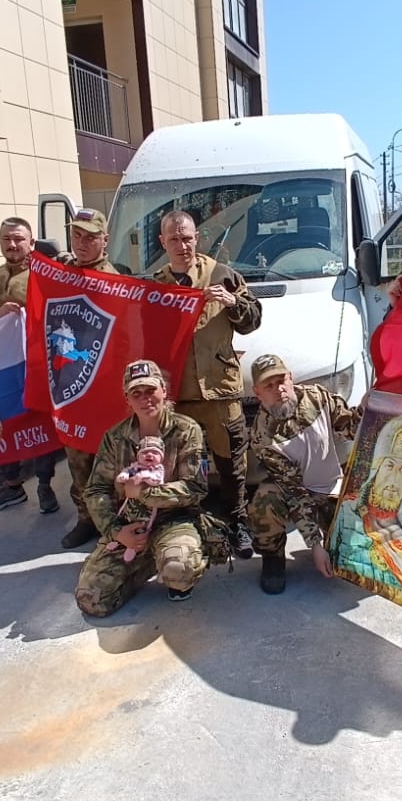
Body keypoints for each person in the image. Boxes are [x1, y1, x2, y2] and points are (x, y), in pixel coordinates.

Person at [151, 209, 262, 557]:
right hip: (179, 393)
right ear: (163, 242)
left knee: (232, 464)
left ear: (197, 237)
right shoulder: (155, 286)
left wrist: (232, 302)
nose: (182, 245)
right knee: (182, 465)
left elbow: (253, 320)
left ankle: (237, 521)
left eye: (187, 238)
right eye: (174, 239)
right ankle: (189, 526)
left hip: (219, 390)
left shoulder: (222, 275)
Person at [75, 359, 209, 616]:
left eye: (151, 390)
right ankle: (146, 562)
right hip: (130, 523)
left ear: (164, 390)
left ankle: (169, 558)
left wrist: (145, 493)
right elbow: (96, 490)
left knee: (179, 571)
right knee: (92, 600)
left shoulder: (186, 429)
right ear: (127, 398)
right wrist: (116, 532)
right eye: (136, 393)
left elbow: (195, 487)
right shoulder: (115, 438)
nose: (145, 398)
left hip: (174, 520)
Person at [0, 216, 61, 514]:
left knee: (39, 424)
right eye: (7, 238)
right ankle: (11, 485)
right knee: (2, 424)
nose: (12, 244)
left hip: (35, 364)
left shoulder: (46, 274)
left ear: (31, 243)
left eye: (19, 238)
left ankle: (44, 484)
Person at [247, 353, 362, 594]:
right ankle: (273, 557)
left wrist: (367, 408)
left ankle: (336, 537)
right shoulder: (262, 436)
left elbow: (351, 428)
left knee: (354, 556)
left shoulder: (318, 397)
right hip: (297, 493)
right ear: (257, 393)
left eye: (281, 381)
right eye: (269, 386)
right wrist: (315, 544)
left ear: (291, 378)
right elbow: (293, 492)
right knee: (264, 501)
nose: (278, 389)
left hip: (331, 490)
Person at [54, 207, 120, 549]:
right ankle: (86, 519)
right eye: (76, 235)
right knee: (77, 457)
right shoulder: (61, 275)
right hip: (71, 383)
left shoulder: (118, 282)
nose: (81, 243)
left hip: (105, 386)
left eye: (90, 237)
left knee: (109, 459)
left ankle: (114, 522)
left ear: (105, 240)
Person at [103, 436, 165, 561]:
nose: (149, 455)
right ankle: (117, 541)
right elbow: (127, 472)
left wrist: (144, 476)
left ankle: (132, 547)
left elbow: (157, 481)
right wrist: (124, 476)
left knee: (141, 526)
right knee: (122, 519)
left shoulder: (158, 469)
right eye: (145, 453)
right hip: (130, 502)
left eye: (154, 453)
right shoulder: (135, 467)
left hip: (147, 506)